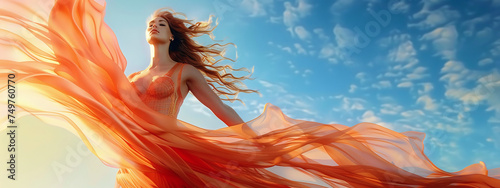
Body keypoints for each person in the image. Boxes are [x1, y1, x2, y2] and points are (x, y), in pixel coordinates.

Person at [1, 0, 500, 187]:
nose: (154, 25)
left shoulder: (183, 74)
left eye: (162, 22)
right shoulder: (129, 80)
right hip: (138, 166)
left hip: (180, 158)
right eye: (149, 21)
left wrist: (255, 142)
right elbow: (99, 94)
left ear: (171, 34)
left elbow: (223, 109)